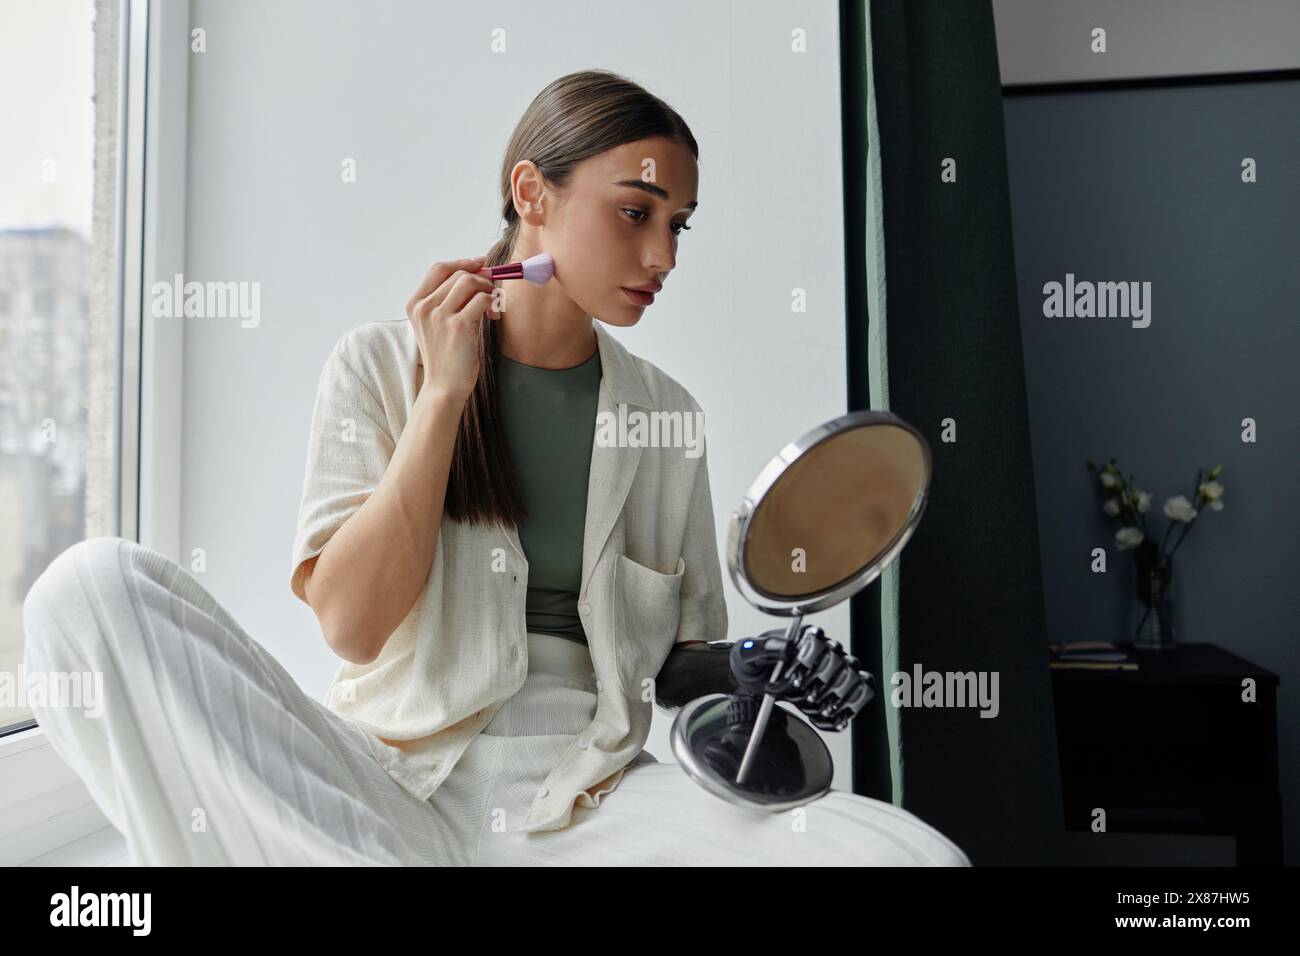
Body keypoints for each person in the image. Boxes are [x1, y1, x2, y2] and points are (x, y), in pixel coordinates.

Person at [22, 69, 970, 867]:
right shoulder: (379, 368)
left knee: (904, 857)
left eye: (679, 225)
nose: (662, 254)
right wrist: (443, 396)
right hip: (382, 778)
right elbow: (351, 626)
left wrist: (749, 666)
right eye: (636, 212)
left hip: (590, 802)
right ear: (532, 194)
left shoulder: (667, 418)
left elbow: (672, 668)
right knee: (87, 590)